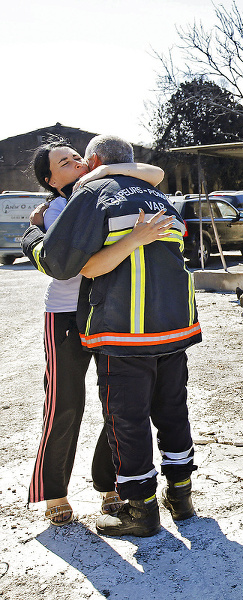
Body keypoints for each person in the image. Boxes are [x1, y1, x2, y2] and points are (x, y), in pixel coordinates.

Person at [22, 134, 202, 537]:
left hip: (112, 315)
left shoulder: (103, 190)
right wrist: (31, 233)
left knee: (119, 408)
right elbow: (62, 264)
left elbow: (150, 172)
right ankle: (56, 492)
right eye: (64, 163)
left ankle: (110, 487)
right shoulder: (55, 208)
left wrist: (104, 174)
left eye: (77, 157)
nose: (75, 164)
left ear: (95, 161)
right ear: (51, 181)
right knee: (65, 404)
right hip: (69, 314)